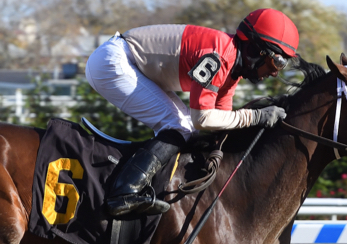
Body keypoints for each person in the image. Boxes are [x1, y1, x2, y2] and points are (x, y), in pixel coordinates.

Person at [85, 8, 299, 217]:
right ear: (256, 50)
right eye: (277, 61)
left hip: (128, 62)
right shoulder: (218, 57)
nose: (275, 72)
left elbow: (221, 122)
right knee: (181, 125)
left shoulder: (232, 69)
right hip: (112, 62)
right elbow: (202, 118)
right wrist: (257, 116)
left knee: (185, 127)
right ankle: (123, 192)